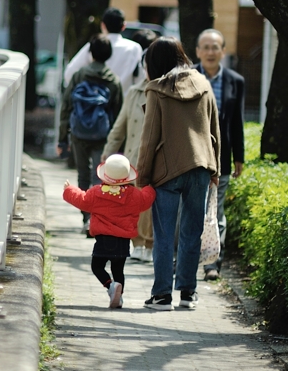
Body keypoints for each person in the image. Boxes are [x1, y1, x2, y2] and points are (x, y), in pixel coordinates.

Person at [136, 37, 221, 311]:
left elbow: (149, 139)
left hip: (166, 171)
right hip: (199, 166)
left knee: (163, 235)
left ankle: (161, 296)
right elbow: (215, 131)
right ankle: (187, 293)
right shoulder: (203, 85)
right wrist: (215, 168)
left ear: (155, 62)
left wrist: (142, 177)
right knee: (191, 233)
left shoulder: (157, 90)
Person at [63, 154, 156, 309]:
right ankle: (118, 296)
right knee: (118, 270)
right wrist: (150, 187)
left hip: (103, 240)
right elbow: (146, 199)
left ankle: (110, 287)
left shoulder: (96, 193)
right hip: (123, 242)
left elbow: (82, 199)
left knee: (97, 267)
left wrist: (69, 190)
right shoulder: (134, 195)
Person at [102, 29, 160, 261]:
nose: (149, 69)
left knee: (150, 206)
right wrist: (107, 155)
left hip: (157, 159)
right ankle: (137, 244)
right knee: (134, 204)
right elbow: (119, 128)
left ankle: (150, 244)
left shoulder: (166, 93)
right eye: (146, 64)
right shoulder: (134, 93)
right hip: (133, 159)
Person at [194, 29, 245, 281]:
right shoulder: (188, 76)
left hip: (221, 159)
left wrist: (240, 157)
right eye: (206, 47)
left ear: (223, 51)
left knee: (216, 212)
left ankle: (212, 264)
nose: (211, 52)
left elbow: (237, 122)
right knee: (191, 210)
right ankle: (184, 259)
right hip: (192, 158)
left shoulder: (235, 81)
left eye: (215, 47)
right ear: (197, 51)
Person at [59, 34, 123, 235]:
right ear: (109, 55)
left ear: (90, 53)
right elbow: (118, 114)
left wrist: (63, 137)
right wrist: (117, 143)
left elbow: (66, 106)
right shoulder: (113, 80)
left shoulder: (79, 75)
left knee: (83, 174)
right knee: (100, 176)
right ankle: (96, 219)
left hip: (78, 133)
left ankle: (86, 218)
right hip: (102, 136)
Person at [62, 8, 144, 91]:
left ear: (102, 25)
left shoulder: (93, 45)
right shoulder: (135, 48)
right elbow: (140, 78)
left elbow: (69, 74)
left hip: (97, 100)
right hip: (125, 101)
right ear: (123, 26)